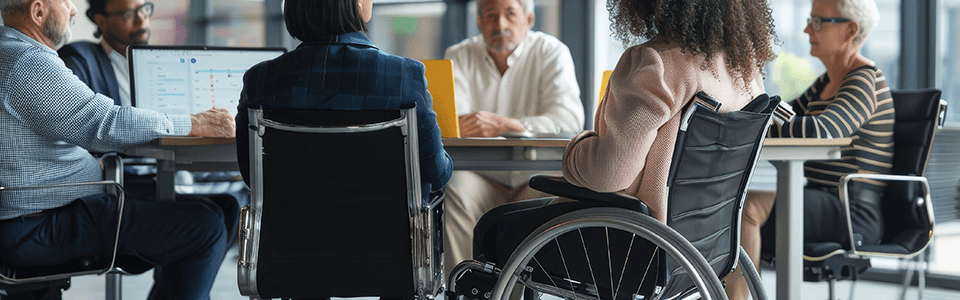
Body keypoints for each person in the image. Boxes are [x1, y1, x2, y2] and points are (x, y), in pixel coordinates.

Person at [0, 0, 238, 298]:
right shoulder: (28, 62)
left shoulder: (10, 53)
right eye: (65, 1)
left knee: (220, 209)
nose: (73, 9)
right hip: (40, 224)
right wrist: (194, 123)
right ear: (38, 12)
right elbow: (105, 124)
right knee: (205, 228)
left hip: (43, 213)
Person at [731, 0, 893, 299]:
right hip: (820, 199)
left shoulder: (864, 80)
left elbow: (822, 131)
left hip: (852, 210)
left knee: (748, 209)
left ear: (851, 30)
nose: (807, 29)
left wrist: (764, 123)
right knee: (731, 208)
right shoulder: (826, 83)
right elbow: (780, 117)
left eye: (818, 22)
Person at [236, 0, 453, 205]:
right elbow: (437, 174)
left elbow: (252, 175)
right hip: (386, 237)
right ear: (357, 2)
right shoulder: (404, 76)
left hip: (287, 238)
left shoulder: (260, 80)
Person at [442, 0, 584, 276]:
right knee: (454, 186)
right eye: (491, 16)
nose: (501, 25)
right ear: (479, 22)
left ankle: (527, 286)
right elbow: (453, 122)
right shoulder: (458, 55)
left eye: (510, 14)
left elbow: (568, 119)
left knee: (560, 193)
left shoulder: (552, 52)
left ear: (529, 19)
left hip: (534, 177)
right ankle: (463, 284)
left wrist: (506, 124)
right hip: (480, 176)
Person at [59, 0, 248, 203]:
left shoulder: (158, 62)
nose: (142, 20)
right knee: (218, 210)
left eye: (144, 9)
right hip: (133, 177)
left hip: (179, 167)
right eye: (128, 14)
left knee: (239, 197)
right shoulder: (80, 62)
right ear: (100, 21)